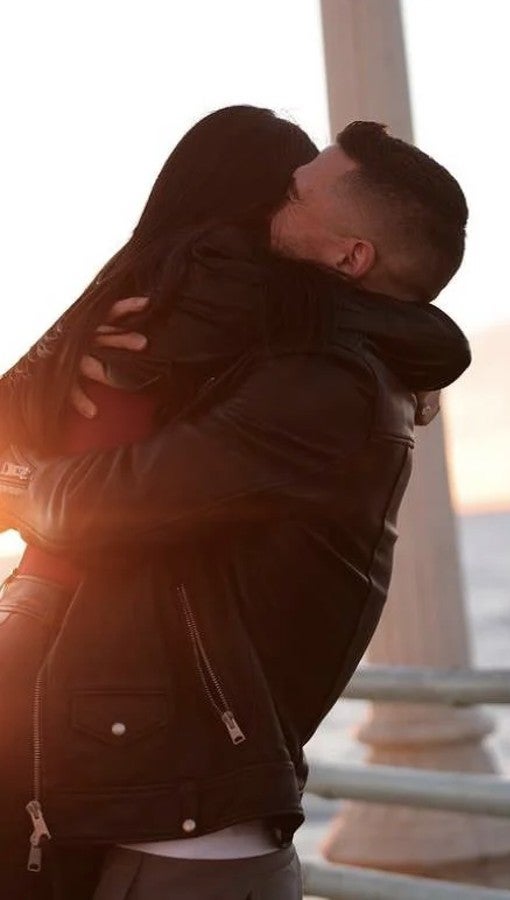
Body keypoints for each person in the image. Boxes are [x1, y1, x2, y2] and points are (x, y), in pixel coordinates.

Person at [0, 115, 470, 900]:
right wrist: (69, 354)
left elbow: (113, 501)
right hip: (150, 789)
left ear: (351, 256)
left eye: (293, 196)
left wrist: (18, 471)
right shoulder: (286, 356)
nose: (267, 213)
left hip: (192, 811)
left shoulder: (328, 385)